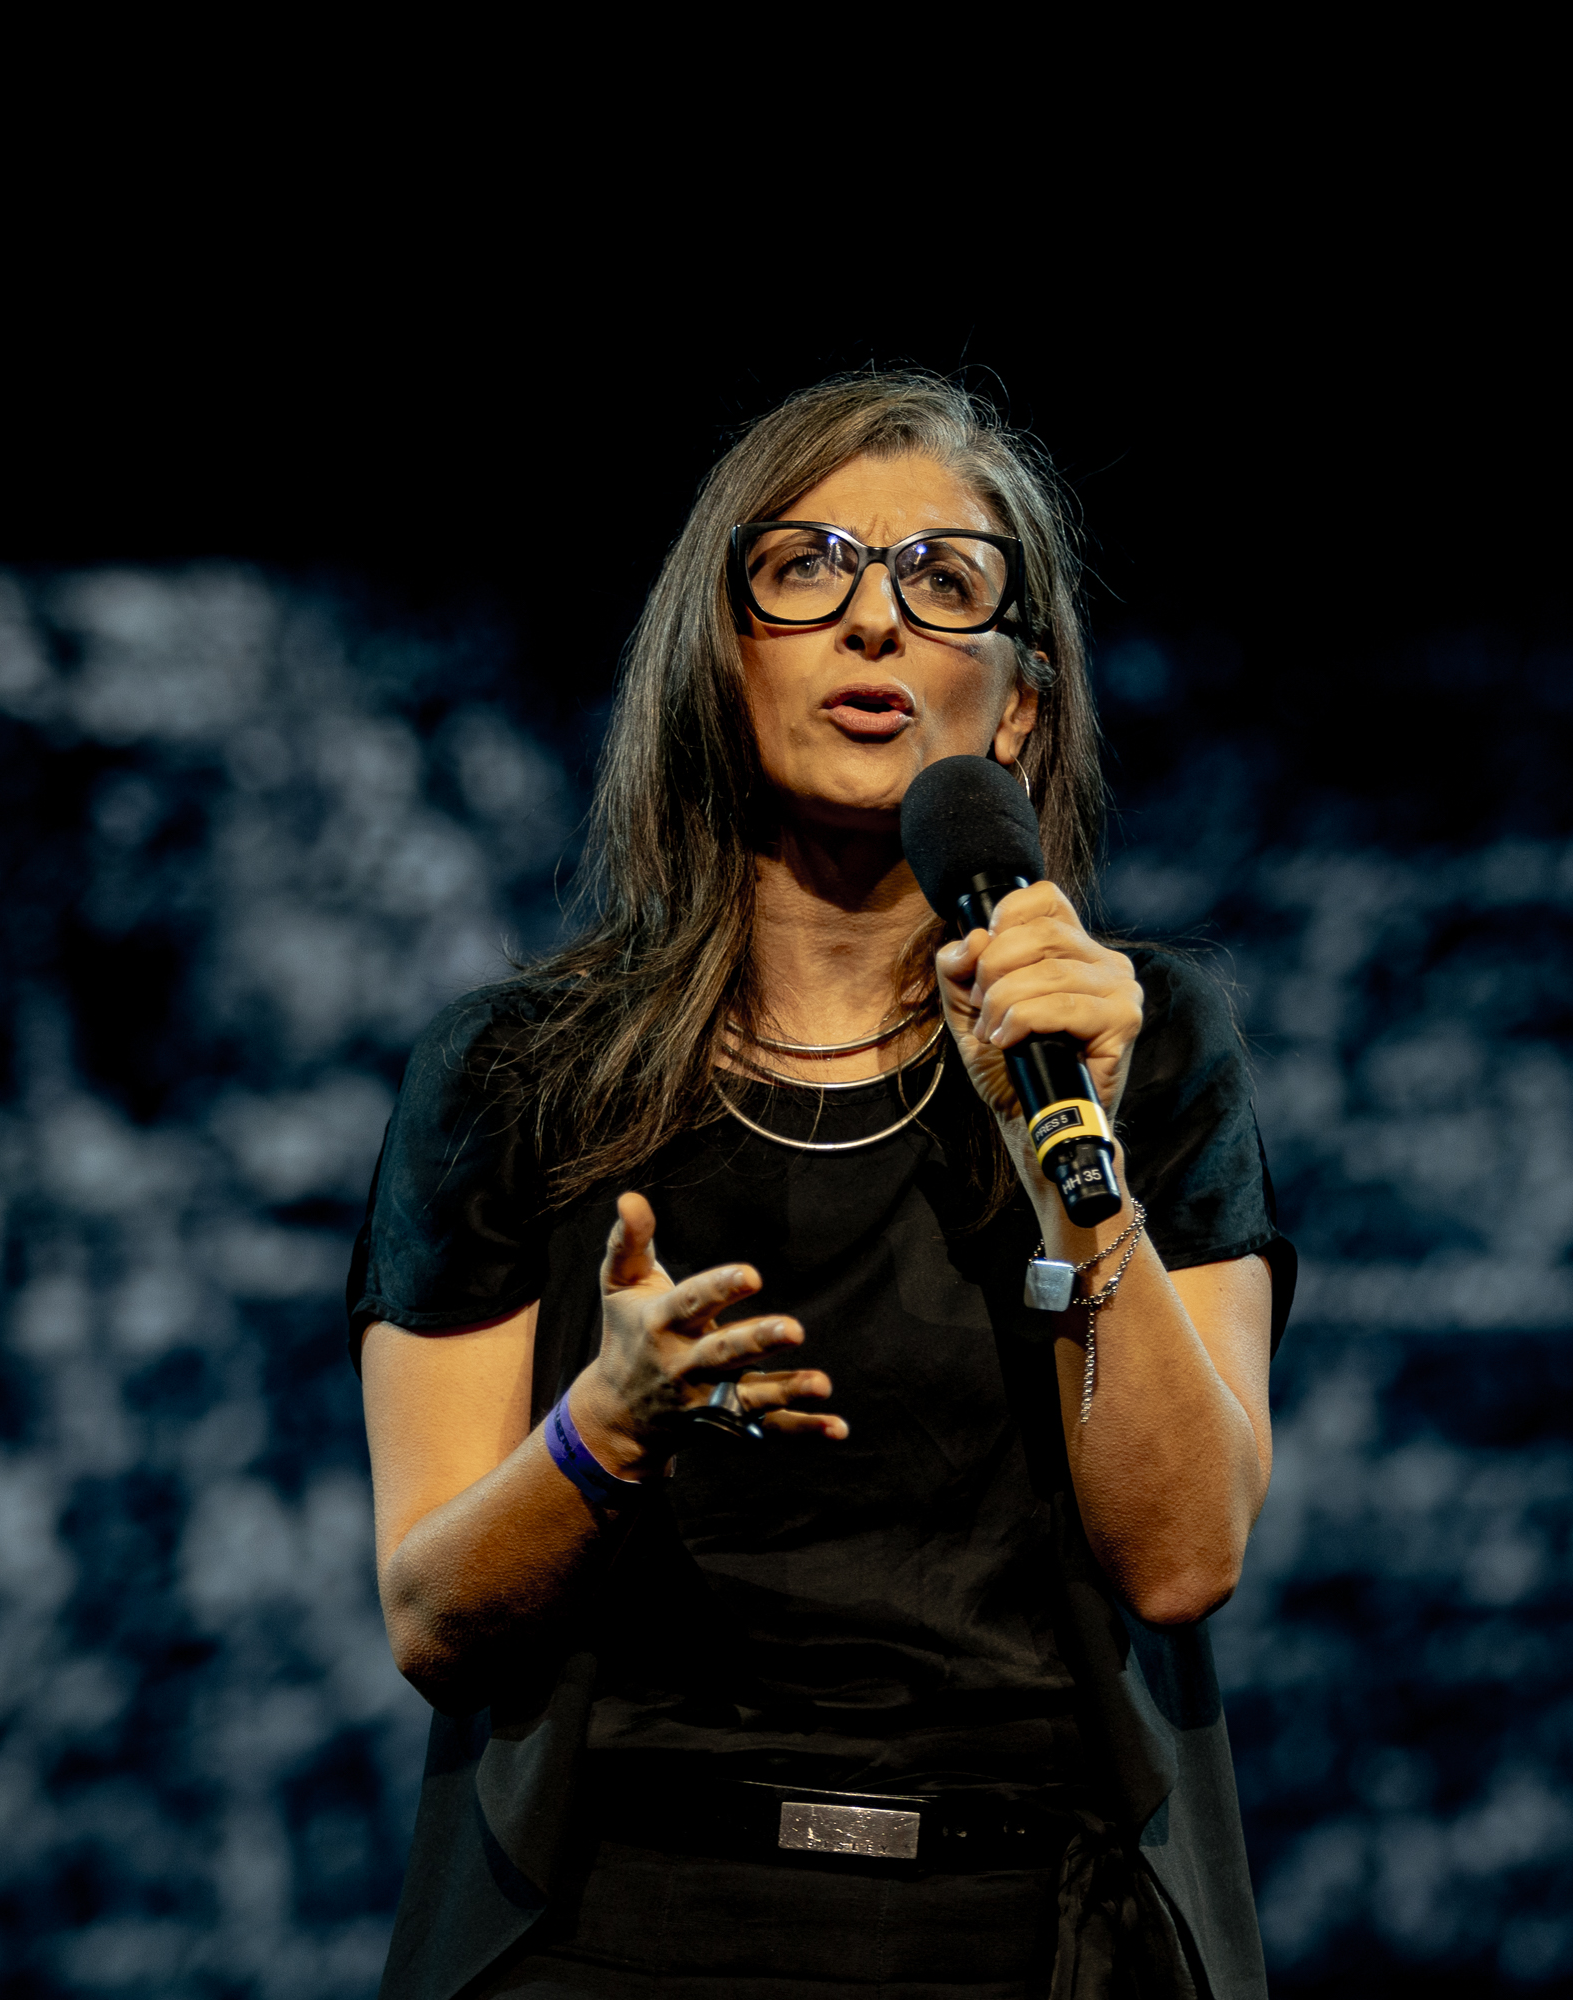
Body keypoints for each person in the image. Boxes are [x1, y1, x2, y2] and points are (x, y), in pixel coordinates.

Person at [349, 372, 1295, 1999]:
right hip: (614, 1930)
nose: (875, 623)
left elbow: (1185, 1558)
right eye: (808, 568)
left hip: (1021, 1932)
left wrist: (1084, 1177)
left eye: (944, 581)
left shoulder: (1147, 1046)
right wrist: (609, 1426)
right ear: (723, 660)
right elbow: (433, 1615)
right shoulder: (513, 1072)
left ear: (1018, 705)